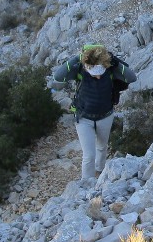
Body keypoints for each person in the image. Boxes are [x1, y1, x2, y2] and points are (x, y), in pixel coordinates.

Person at [50, 44, 136, 180]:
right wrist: (77, 58)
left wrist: (116, 61)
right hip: (83, 118)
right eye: (94, 73)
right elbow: (58, 76)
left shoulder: (110, 68)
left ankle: (100, 172)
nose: (98, 77)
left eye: (100, 72)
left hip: (105, 116)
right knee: (89, 155)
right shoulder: (79, 69)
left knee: (102, 147)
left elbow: (132, 77)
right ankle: (86, 183)